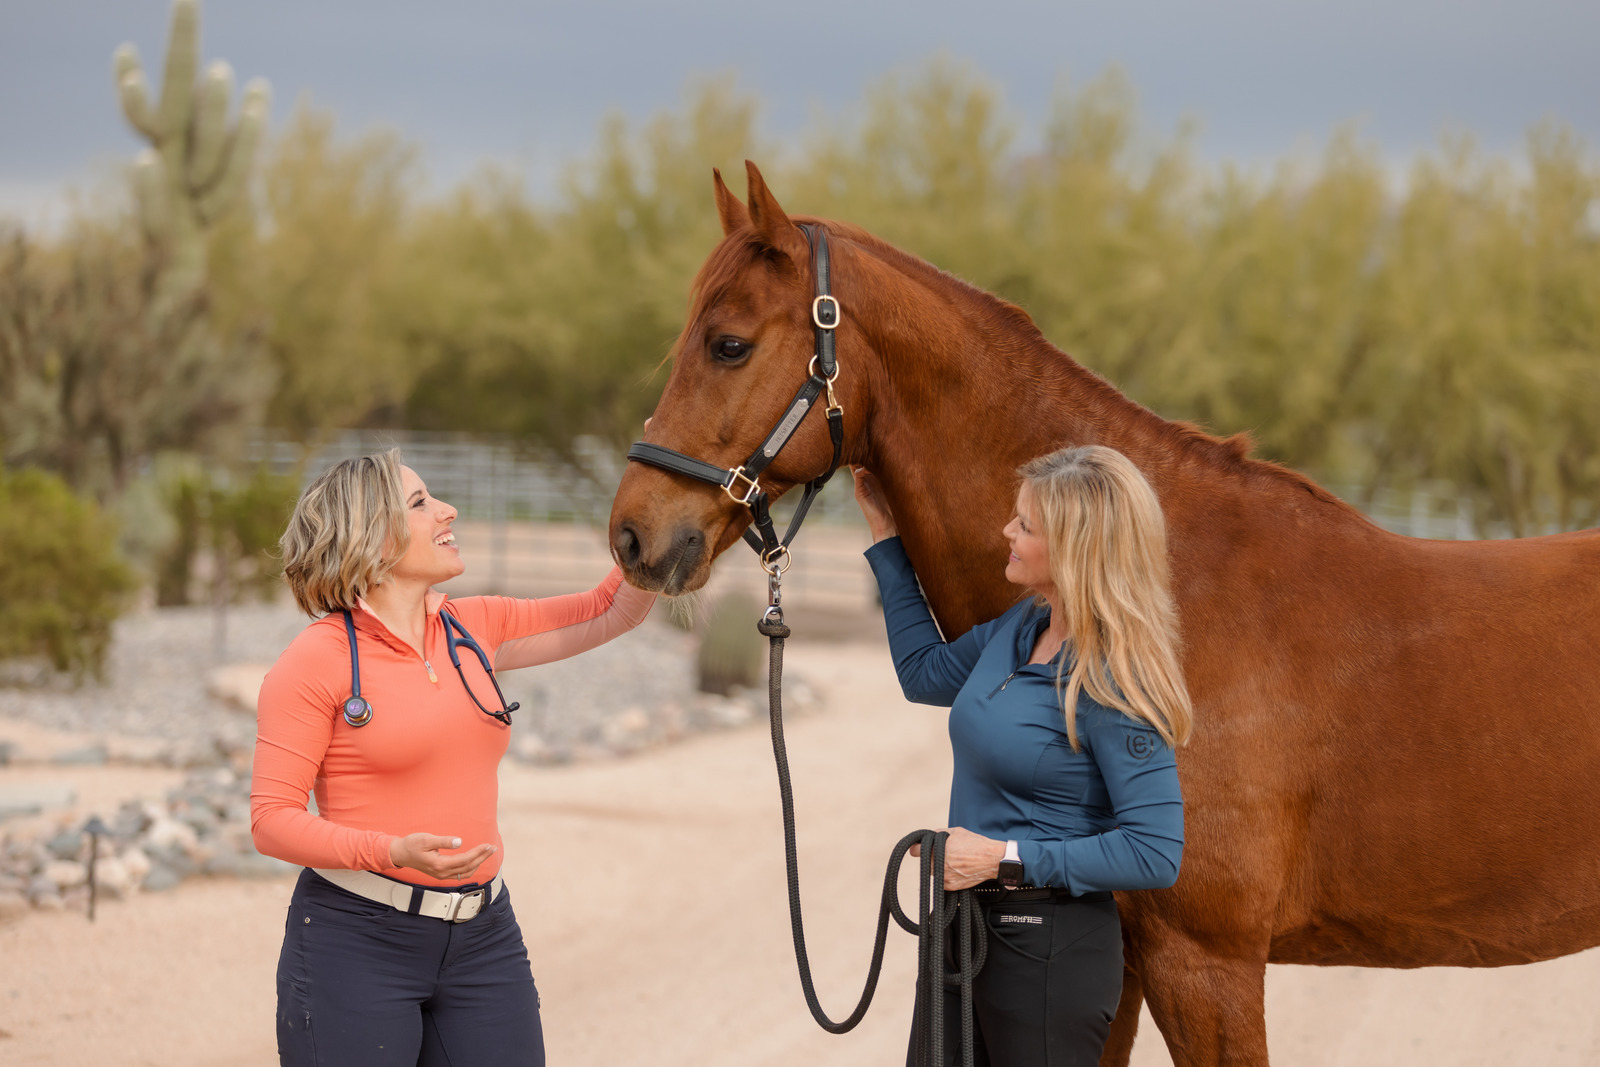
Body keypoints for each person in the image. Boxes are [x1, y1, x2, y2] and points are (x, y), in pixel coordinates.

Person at [252, 449, 655, 1066]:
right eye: (420, 503)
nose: (448, 510)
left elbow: (611, 608)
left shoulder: (476, 626)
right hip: (356, 939)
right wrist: (389, 852)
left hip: (484, 936)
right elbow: (271, 820)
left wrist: (670, 504)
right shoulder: (316, 661)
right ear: (372, 537)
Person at [852, 444, 1193, 1067]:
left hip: (1048, 955)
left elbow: (1156, 850)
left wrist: (1001, 859)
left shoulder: (1116, 683)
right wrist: (886, 538)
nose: (1007, 531)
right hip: (964, 931)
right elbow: (924, 674)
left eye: (1025, 525)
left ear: (1074, 548)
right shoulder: (1020, 628)